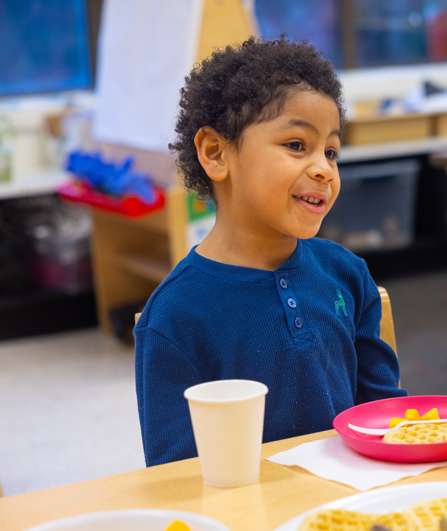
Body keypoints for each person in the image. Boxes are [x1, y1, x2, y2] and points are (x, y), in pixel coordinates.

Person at [134, 37, 406, 467]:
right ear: (215, 153)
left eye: (331, 151)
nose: (323, 169)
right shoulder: (173, 316)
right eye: (297, 145)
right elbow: (177, 477)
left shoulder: (347, 273)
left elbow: (385, 421)